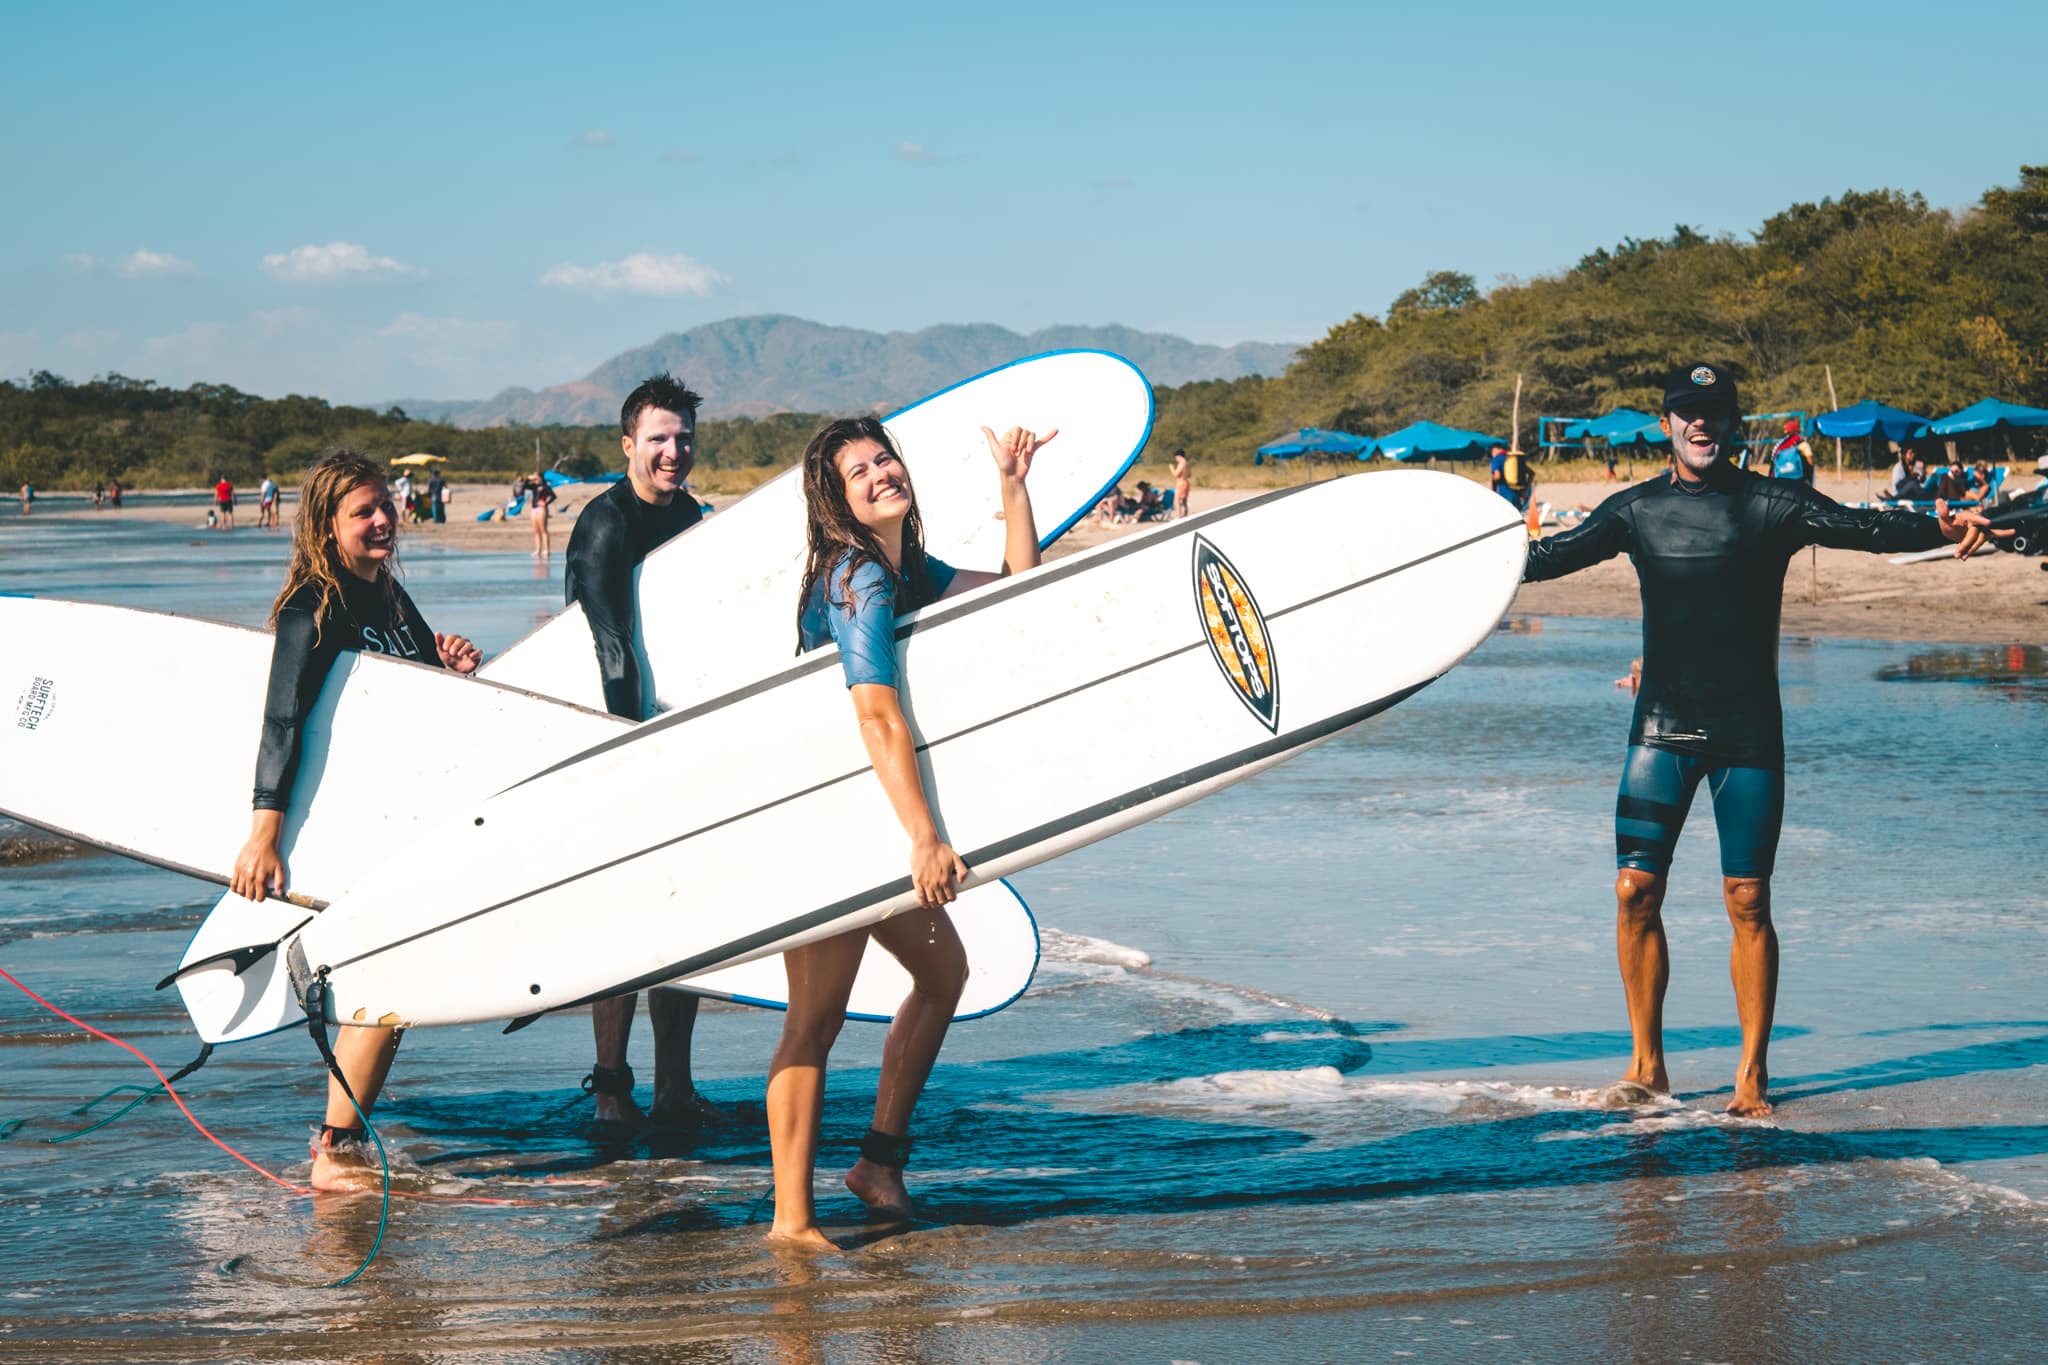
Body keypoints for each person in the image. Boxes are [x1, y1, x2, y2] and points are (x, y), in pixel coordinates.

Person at [1521, 362, 2004, 1117]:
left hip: (1747, 733)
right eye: (1687, 412)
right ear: (1666, 423)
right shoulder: (1634, 511)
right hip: (1659, 731)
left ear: (1734, 422)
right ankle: (1648, 1065)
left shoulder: (1772, 505)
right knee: (1634, 890)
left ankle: (1751, 1074)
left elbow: (1865, 528)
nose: (1701, 425)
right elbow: (1547, 557)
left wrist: (1935, 524)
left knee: (1747, 898)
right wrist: (1449, 565)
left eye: (1714, 412)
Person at [772, 415, 1055, 1248]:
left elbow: (1015, 591)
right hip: (829, 824)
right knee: (813, 1022)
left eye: (883, 457)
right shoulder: (855, 575)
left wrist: (1013, 488)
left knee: (944, 972)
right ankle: (791, 1221)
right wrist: (927, 836)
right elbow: (876, 713)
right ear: (836, 501)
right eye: (856, 470)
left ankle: (878, 1161)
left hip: (873, 818)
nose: (877, 473)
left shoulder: (906, 566)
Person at [228, 449, 481, 1190]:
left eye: (383, 507)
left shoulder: (392, 598)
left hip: (402, 821)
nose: (380, 521)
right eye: (361, 512)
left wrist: (455, 669)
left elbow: (420, 696)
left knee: (394, 991)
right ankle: (335, 1150)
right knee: (388, 980)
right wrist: (264, 833)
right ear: (326, 525)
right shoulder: (314, 608)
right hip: (350, 828)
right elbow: (282, 722)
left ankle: (342, 1144)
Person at [564, 375, 722, 1131]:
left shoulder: (691, 516)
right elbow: (608, 647)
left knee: (683, 917)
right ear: (627, 443)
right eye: (657, 437)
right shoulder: (605, 524)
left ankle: (673, 1088)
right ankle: (609, 1087)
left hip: (672, 737)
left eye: (683, 437)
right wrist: (631, 755)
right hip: (615, 739)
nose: (672, 450)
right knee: (622, 920)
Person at [1768, 419, 1814, 485]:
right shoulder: (1802, 443)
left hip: (1779, 477)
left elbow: (1773, 461)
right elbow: (1810, 461)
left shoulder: (1779, 444)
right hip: (1799, 479)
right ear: (1797, 430)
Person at [529, 475, 556, 558]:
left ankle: (547, 550)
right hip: (534, 509)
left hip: (541, 509)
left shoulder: (546, 486)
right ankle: (538, 550)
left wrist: (546, 503)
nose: (535, 480)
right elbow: (525, 485)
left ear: (541, 478)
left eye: (537, 478)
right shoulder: (534, 486)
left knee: (543, 529)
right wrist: (529, 478)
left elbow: (553, 496)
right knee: (536, 531)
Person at [1171, 448, 1192, 519]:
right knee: (1184, 501)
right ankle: (1185, 515)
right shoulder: (1187, 463)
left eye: (1176, 458)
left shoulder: (1182, 463)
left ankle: (1179, 517)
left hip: (1181, 483)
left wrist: (1171, 468)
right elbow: (1190, 475)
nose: (1176, 459)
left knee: (1176, 500)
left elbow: (1176, 474)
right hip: (1186, 482)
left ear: (1178, 456)